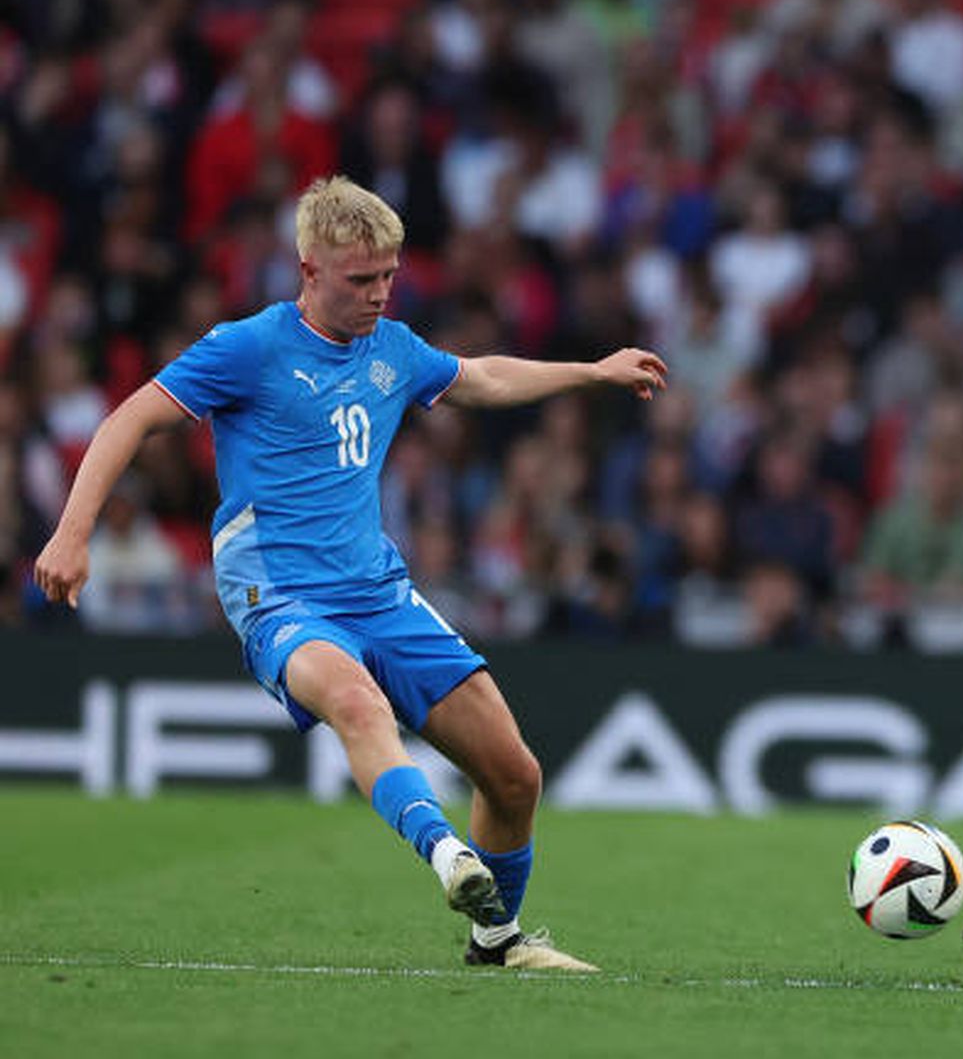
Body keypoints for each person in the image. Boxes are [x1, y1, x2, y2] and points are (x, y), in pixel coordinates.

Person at [34, 176, 667, 971]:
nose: (378, 294)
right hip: (282, 597)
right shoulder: (250, 347)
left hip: (380, 591)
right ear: (309, 271)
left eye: (388, 277)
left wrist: (593, 370)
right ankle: (445, 855)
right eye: (360, 279)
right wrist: (72, 530)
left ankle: (496, 942)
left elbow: (480, 378)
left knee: (515, 776)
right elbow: (132, 416)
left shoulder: (393, 350)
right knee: (358, 704)